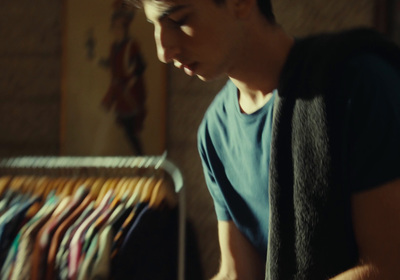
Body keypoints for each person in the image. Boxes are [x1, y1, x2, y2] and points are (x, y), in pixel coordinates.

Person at [129, 0, 400, 279]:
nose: (163, 51)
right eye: (155, 26)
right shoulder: (215, 132)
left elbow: (389, 267)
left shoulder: (358, 86)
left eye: (178, 20)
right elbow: (238, 272)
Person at [101, 1, 147, 155]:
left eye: (119, 26)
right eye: (114, 26)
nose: (116, 30)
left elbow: (140, 68)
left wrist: (128, 86)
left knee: (130, 131)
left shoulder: (131, 46)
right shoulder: (114, 47)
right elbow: (111, 65)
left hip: (130, 95)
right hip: (118, 94)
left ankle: (141, 160)